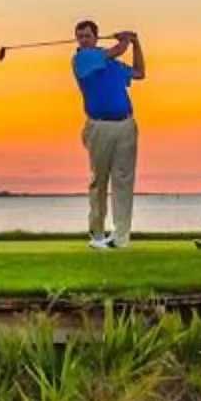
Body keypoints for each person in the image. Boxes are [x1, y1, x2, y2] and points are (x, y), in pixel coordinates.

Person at [71, 19, 144, 248]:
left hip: (125, 125)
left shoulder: (111, 62)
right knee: (99, 181)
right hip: (99, 126)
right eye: (80, 36)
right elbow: (117, 49)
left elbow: (140, 73)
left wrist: (136, 42)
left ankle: (121, 238)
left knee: (123, 180)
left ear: (96, 36)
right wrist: (125, 40)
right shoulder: (82, 59)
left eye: (87, 35)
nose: (84, 40)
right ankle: (97, 234)